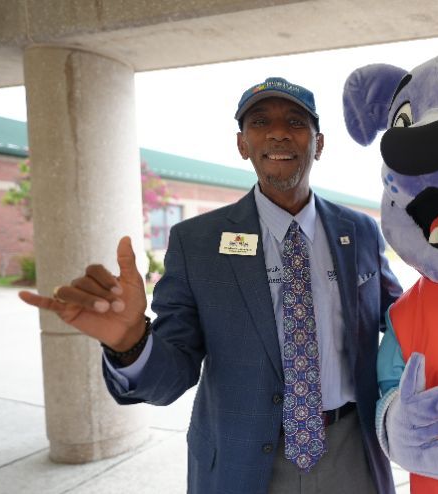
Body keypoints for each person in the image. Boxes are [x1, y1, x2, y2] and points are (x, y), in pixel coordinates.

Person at [20, 77, 402, 494]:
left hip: (352, 451)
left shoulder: (359, 231)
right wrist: (131, 342)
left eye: (295, 121)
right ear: (242, 144)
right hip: (240, 461)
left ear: (319, 143)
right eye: (260, 122)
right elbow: (174, 372)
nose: (278, 132)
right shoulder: (197, 242)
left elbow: (402, 320)